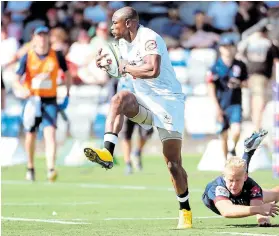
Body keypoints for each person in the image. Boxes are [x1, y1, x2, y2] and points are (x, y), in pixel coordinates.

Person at [83, 7, 192, 229]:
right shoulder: (123, 44)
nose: (112, 27)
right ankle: (107, 152)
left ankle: (185, 209)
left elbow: (153, 70)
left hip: (168, 102)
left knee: (172, 164)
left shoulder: (150, 38)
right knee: (118, 99)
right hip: (143, 98)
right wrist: (109, 66)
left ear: (130, 23)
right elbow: (123, 70)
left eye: (116, 23)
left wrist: (124, 66)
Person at [202, 129, 279, 226]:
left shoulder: (252, 186)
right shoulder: (218, 187)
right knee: (256, 192)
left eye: (238, 180)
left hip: (243, 195)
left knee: (277, 194)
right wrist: (260, 209)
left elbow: (259, 210)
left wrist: (263, 217)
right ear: (224, 177)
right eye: (230, 180)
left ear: (246, 177)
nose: (233, 184)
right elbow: (226, 211)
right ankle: (248, 152)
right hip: (219, 202)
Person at [13, 26, 71, 182]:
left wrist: (67, 93)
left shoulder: (56, 55)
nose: (42, 38)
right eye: (39, 35)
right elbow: (16, 79)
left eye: (45, 35)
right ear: (35, 38)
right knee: (30, 134)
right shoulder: (28, 56)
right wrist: (21, 89)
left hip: (49, 99)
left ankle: (51, 168)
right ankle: (30, 167)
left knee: (50, 132)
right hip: (32, 99)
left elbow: (67, 74)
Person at [206, 38, 248, 158]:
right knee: (223, 135)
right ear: (221, 49)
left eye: (230, 46)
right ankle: (226, 162)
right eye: (225, 47)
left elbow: (246, 83)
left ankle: (232, 149)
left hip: (235, 103)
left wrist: (238, 83)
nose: (228, 49)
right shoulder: (215, 67)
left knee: (236, 130)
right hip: (221, 103)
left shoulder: (240, 65)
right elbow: (210, 87)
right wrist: (216, 106)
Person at [242, 26, 279, 131]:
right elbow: (277, 62)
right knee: (259, 99)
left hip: (250, 75)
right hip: (261, 76)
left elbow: (243, 57)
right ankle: (257, 125)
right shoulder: (269, 44)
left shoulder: (250, 43)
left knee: (255, 99)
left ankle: (256, 122)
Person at [117, 76, 154, 175]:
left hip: (142, 108)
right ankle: (128, 164)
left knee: (146, 133)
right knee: (125, 136)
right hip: (126, 109)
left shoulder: (143, 74)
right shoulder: (123, 76)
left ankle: (137, 152)